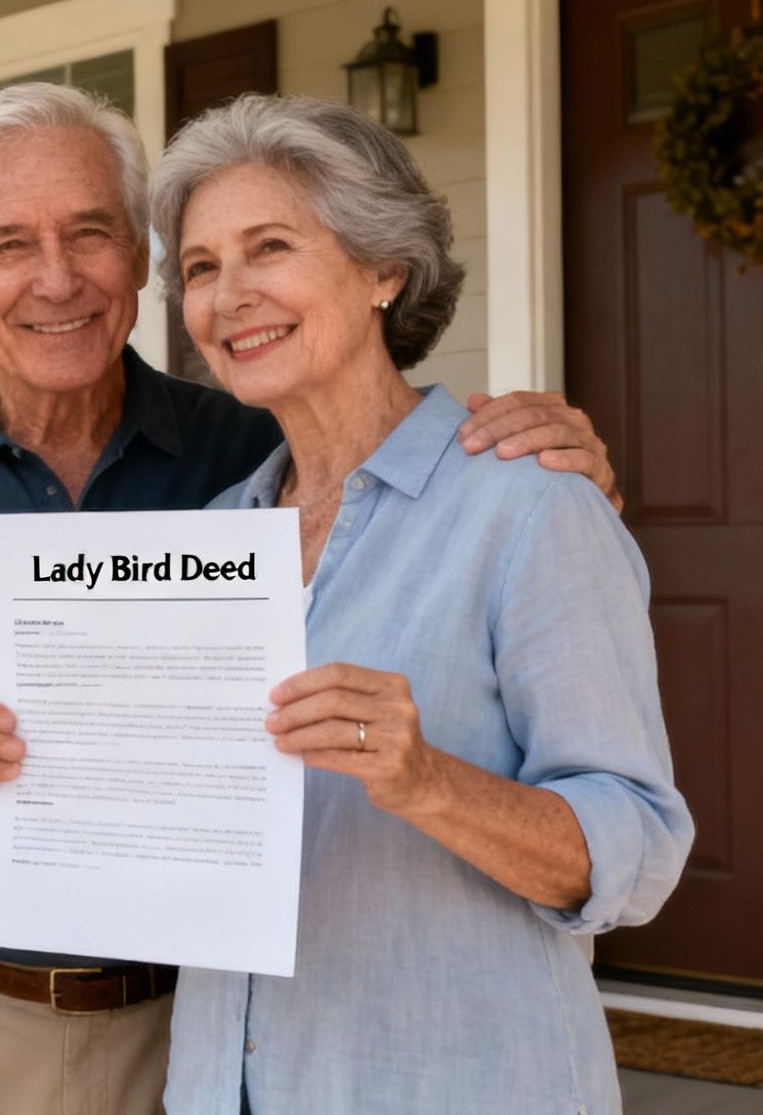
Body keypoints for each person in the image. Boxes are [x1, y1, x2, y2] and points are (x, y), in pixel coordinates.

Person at [0, 81, 626, 1115]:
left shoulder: (254, 444)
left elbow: (407, 468)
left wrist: (561, 464)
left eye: (91, 232)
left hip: (213, 1028)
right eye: (6, 245)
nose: (56, 278)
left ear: (137, 259)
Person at [147, 93, 692, 1114]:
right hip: (222, 1085)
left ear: (380, 270)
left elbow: (638, 846)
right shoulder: (212, 537)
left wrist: (423, 779)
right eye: (199, 268)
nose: (229, 297)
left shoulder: (527, 507)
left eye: (268, 247)